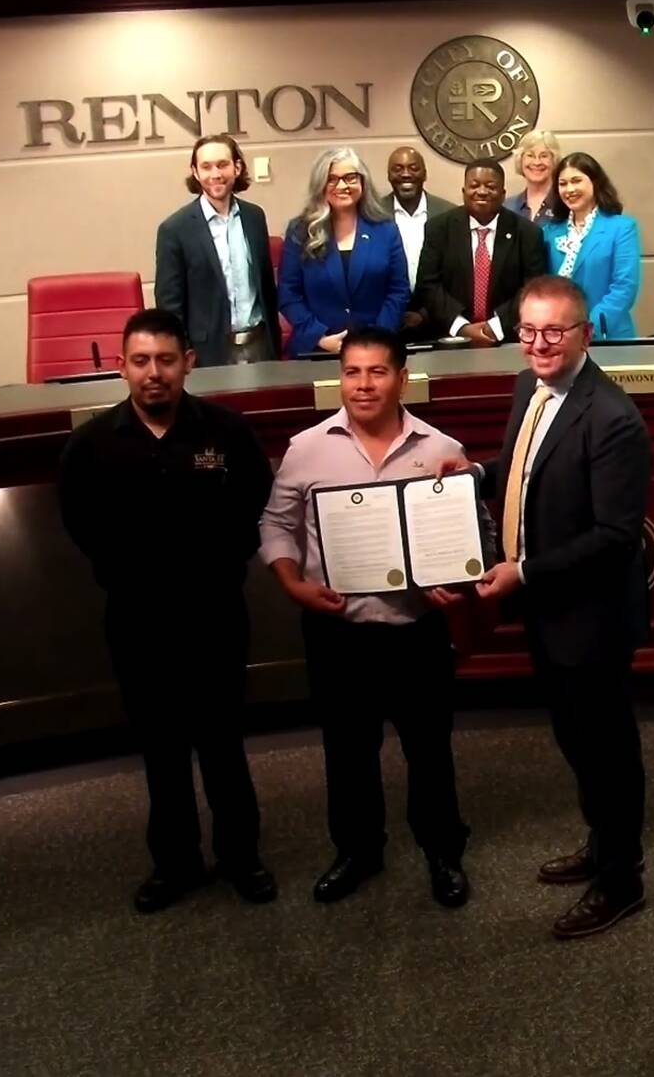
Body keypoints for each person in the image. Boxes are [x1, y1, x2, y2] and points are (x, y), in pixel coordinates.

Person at [438, 275, 653, 939]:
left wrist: (521, 572)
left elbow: (615, 539)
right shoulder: (529, 386)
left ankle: (623, 881)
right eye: (528, 331)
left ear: (586, 334)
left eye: (553, 332)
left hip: (590, 616)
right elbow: (525, 463)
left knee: (607, 750)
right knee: (576, 741)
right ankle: (603, 846)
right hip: (546, 611)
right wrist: (474, 473)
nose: (538, 344)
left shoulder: (614, 420)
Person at [58, 309, 277, 913]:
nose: (153, 374)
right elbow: (81, 525)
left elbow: (254, 505)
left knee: (224, 745)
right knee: (161, 750)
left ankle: (241, 858)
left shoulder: (227, 434)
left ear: (189, 362)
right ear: (122, 367)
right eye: (140, 361)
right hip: (138, 622)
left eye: (165, 360)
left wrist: (211, 564)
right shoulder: (91, 446)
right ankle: (175, 863)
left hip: (214, 617)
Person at [259, 327, 475, 906]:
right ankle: (358, 850)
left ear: (402, 378)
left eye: (377, 372)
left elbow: (465, 535)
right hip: (338, 632)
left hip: (415, 631)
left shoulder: (441, 450)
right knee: (346, 751)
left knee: (429, 750)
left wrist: (452, 581)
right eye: (352, 372)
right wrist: (293, 584)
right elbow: (275, 525)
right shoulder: (308, 448)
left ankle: (442, 851)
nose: (362, 385)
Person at [153, 133, 280, 366]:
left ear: (237, 167)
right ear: (195, 172)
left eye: (222, 165)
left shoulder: (254, 217)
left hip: (261, 346)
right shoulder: (174, 229)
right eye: (206, 167)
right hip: (208, 355)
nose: (215, 174)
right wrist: (184, 354)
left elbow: (266, 288)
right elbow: (170, 306)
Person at [277, 147, 411, 354]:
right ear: (320, 184)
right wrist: (319, 337)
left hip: (377, 350)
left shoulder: (386, 229)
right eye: (332, 179)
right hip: (316, 349)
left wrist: (376, 338)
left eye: (350, 177)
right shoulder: (300, 231)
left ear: (362, 182)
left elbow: (398, 291)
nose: (342, 185)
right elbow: (289, 294)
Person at [415, 157, 549, 346]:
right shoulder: (438, 228)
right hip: (449, 338)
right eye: (474, 185)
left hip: (509, 338)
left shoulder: (528, 233)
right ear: (464, 192)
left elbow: (532, 287)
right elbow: (428, 284)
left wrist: (494, 327)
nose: (482, 192)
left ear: (502, 194)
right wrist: (461, 327)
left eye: (490, 186)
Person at [542, 152, 641, 340]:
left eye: (576, 181)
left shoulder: (622, 228)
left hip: (608, 335)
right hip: (559, 338)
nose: (569, 189)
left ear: (595, 182)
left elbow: (624, 287)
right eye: (563, 184)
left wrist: (587, 328)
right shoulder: (548, 232)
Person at [373, 145, 456, 297]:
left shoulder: (448, 213)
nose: (406, 174)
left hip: (437, 312)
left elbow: (456, 272)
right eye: (397, 169)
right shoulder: (373, 214)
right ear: (388, 175)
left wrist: (425, 312)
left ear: (425, 174)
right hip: (388, 310)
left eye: (413, 168)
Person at [504, 129, 562, 226]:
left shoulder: (565, 204)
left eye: (544, 156)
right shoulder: (507, 206)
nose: (536, 162)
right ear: (520, 160)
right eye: (530, 155)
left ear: (554, 160)